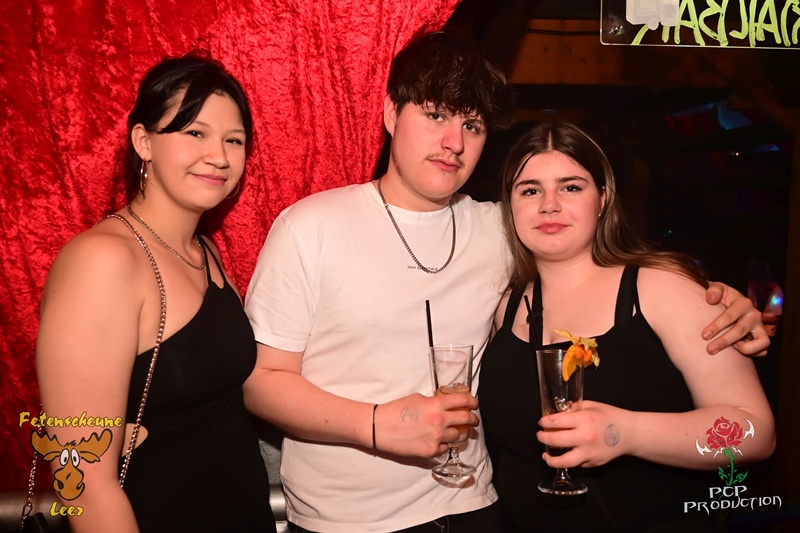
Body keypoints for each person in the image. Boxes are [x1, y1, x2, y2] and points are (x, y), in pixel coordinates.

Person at [243, 32, 768, 533]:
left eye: (472, 126)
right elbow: (261, 380)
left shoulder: (500, 229)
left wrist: (716, 300)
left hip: (475, 509)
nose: (453, 142)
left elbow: (750, 429)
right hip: (348, 520)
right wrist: (377, 424)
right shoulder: (311, 227)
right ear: (389, 113)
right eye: (435, 115)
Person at [478, 122, 776, 532]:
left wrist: (625, 432)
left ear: (602, 199)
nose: (549, 205)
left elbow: (755, 434)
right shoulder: (508, 306)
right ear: (510, 206)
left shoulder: (661, 289)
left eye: (570, 187)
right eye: (530, 190)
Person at [36, 53, 277, 532]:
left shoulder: (204, 250)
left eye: (234, 140)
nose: (220, 156)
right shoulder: (102, 261)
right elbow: (82, 478)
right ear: (143, 142)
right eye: (195, 133)